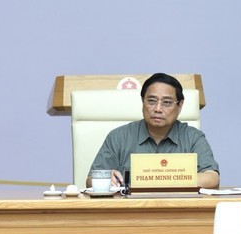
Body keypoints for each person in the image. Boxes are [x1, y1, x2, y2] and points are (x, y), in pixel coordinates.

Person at [88, 73, 220, 189]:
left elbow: (212, 178)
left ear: (180, 106)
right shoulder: (119, 136)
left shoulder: (193, 138)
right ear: (142, 102)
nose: (157, 108)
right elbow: (90, 181)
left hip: (178, 212)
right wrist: (106, 178)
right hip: (130, 212)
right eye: (151, 101)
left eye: (167, 102)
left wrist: (160, 179)